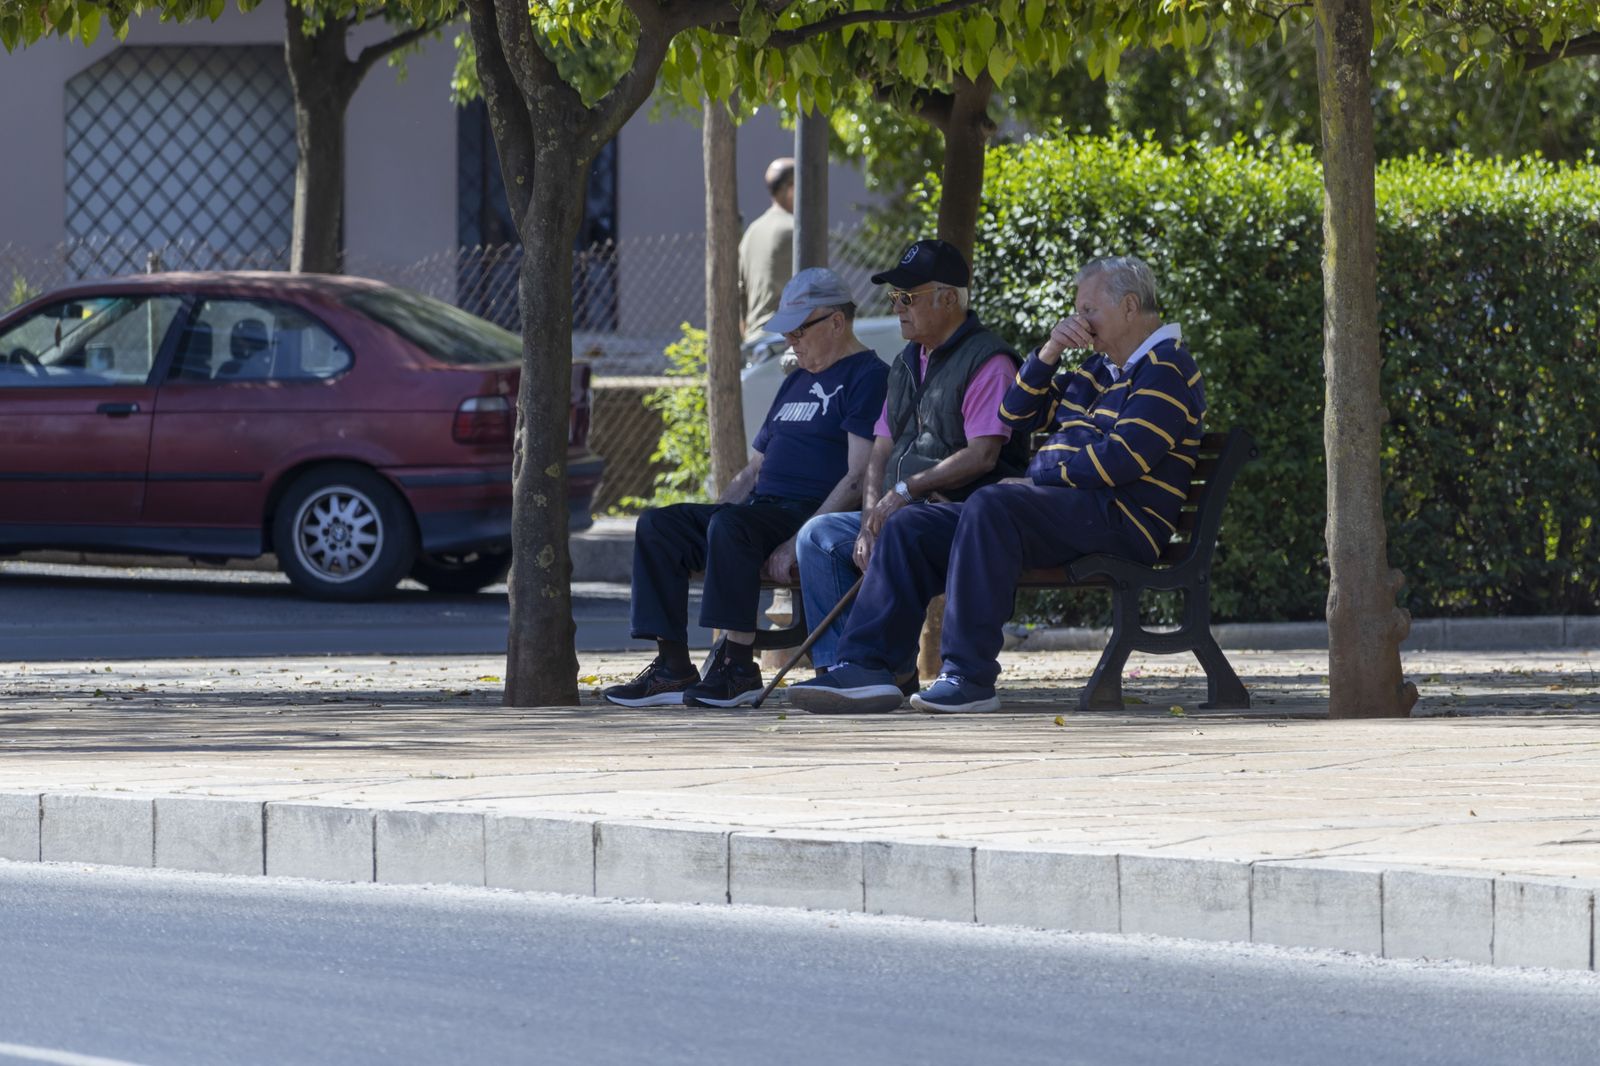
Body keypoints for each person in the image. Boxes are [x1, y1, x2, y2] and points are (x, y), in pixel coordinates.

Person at [787, 255, 1206, 715]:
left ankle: (969, 676)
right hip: (1071, 510)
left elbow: (1123, 459)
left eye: (1088, 311)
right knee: (912, 526)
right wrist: (1049, 353)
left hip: (1122, 519)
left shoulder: (1166, 367)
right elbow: (1017, 414)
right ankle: (867, 667)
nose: (1078, 322)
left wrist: (1040, 473)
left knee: (993, 502)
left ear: (1129, 307)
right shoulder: (1097, 370)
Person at [604, 268, 888, 709]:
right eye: (787, 331)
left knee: (732, 527)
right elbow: (755, 469)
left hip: (807, 512)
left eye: (799, 329)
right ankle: (672, 668)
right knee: (661, 525)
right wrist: (712, 516)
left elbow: (856, 476)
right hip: (759, 511)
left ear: (837, 321)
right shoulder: (796, 380)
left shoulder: (867, 376)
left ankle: (738, 668)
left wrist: (799, 540)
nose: (790, 340)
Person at [793, 239, 1028, 682]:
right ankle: (840, 670)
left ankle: (870, 668)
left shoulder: (989, 361)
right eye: (893, 297)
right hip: (902, 512)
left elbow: (983, 454)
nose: (898, 307)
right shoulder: (906, 362)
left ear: (947, 299)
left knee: (901, 527)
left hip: (960, 515)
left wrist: (904, 492)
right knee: (819, 536)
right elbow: (881, 449)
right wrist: (867, 520)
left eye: (908, 297)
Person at [738, 157, 796, 342]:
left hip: (754, 338)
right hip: (785, 340)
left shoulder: (751, 232)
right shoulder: (796, 230)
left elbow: (741, 295)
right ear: (791, 187)